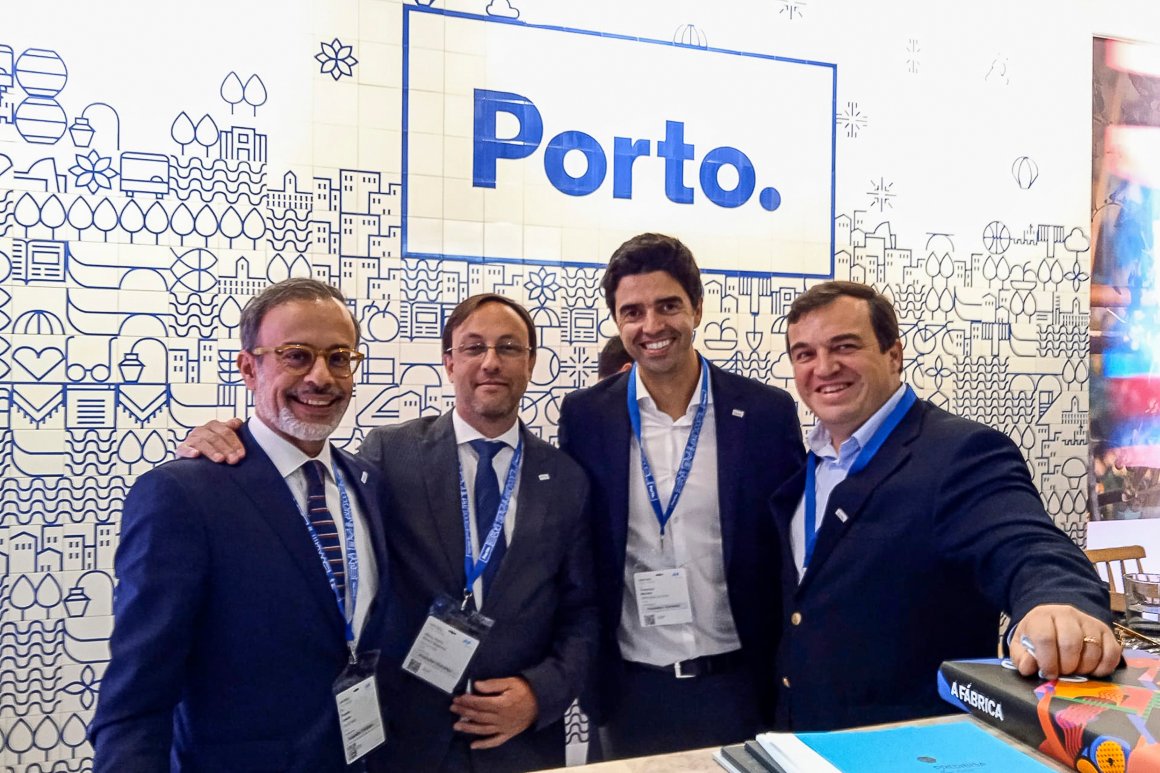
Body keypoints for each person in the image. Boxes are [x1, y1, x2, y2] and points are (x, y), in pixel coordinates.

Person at [177, 293, 597, 773]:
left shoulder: (566, 478)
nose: (490, 362)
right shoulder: (389, 455)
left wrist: (539, 694)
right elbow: (301, 493)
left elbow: (584, 610)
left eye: (508, 347)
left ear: (530, 362)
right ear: (449, 362)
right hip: (407, 737)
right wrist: (227, 440)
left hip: (520, 742)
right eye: (473, 347)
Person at [772, 280, 1120, 731]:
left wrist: (1056, 603)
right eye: (805, 354)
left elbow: (1027, 545)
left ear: (893, 354)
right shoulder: (808, 464)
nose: (824, 367)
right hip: (800, 735)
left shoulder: (962, 453)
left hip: (910, 744)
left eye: (845, 346)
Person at [91, 278, 391, 772]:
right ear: (249, 368)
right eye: (296, 356)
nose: (321, 377)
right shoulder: (184, 494)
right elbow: (137, 695)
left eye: (339, 358)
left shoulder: (368, 482)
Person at [558, 233, 806, 758]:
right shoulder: (586, 417)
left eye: (668, 306)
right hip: (630, 690)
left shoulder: (765, 413)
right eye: (632, 312)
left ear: (696, 307)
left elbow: (789, 548)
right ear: (617, 321)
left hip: (741, 682)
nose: (651, 326)